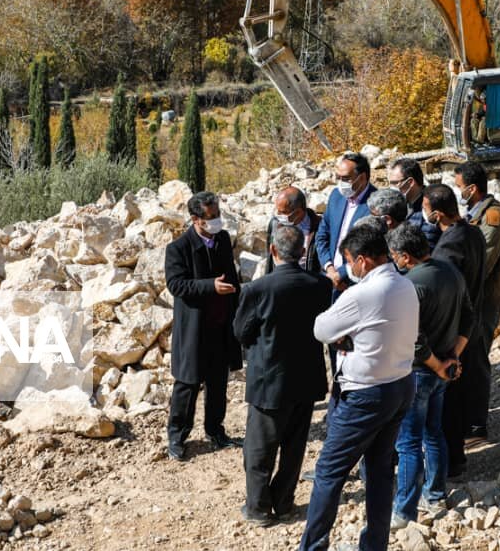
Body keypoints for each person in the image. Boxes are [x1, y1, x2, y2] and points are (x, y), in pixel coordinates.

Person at [298, 225, 418, 551]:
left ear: (362, 261)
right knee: (379, 473)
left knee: (328, 472)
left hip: (366, 394)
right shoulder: (406, 285)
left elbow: (321, 328)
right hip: (401, 385)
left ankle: (312, 547)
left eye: (350, 261)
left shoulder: (362, 293)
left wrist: (346, 336)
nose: (349, 267)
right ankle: (374, 546)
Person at [234, 225, 333, 527]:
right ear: (303, 252)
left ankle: (258, 508)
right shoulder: (320, 284)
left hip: (270, 381)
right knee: (294, 446)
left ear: (273, 251)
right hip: (306, 379)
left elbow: (241, 331)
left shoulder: (258, 289)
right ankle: (284, 503)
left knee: (259, 449)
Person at [386, 224, 472, 529]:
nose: (393, 259)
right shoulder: (450, 272)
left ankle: (404, 510)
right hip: (442, 369)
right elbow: (468, 317)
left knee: (408, 443)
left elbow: (415, 340)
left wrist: (438, 364)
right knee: (433, 432)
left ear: (406, 256)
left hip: (419, 371)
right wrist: (453, 358)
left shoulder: (409, 285)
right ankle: (435, 494)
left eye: (395, 255)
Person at [165, 191, 243, 460]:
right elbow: (176, 285)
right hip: (194, 330)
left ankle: (215, 430)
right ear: (196, 219)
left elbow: (232, 276)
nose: (217, 221)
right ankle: (177, 436)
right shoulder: (177, 249)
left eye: (218, 214)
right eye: (211, 217)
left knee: (218, 383)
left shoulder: (221, 239)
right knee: (187, 384)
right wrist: (210, 286)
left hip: (221, 326)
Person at [424, 183, 486, 479]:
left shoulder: (449, 245)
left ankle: (451, 462)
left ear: (436, 213)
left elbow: (445, 289)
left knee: (447, 401)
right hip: (470, 324)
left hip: (453, 328)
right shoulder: (473, 232)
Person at [454, 162, 500, 448]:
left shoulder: (493, 217)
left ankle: (476, 426)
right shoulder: (472, 215)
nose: (458, 192)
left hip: (482, 302)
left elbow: (481, 264)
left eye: (459, 187)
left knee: (476, 362)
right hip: (468, 301)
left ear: (472, 188)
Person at [316, 152, 376, 294]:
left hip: (354, 283)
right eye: (339, 178)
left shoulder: (375, 204)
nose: (341, 183)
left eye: (346, 178)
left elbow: (369, 250)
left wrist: (341, 274)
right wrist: (329, 268)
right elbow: (322, 235)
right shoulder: (336, 196)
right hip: (329, 277)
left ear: (362, 178)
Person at [265, 186, 322, 274]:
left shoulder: (319, 227)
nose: (278, 215)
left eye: (283, 212)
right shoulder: (274, 223)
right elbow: (270, 257)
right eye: (277, 211)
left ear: (298, 212)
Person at [387, 158, 441, 249]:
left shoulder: (430, 206)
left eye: (395, 183)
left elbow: (428, 245)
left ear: (410, 182)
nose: (391, 188)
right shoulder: (398, 205)